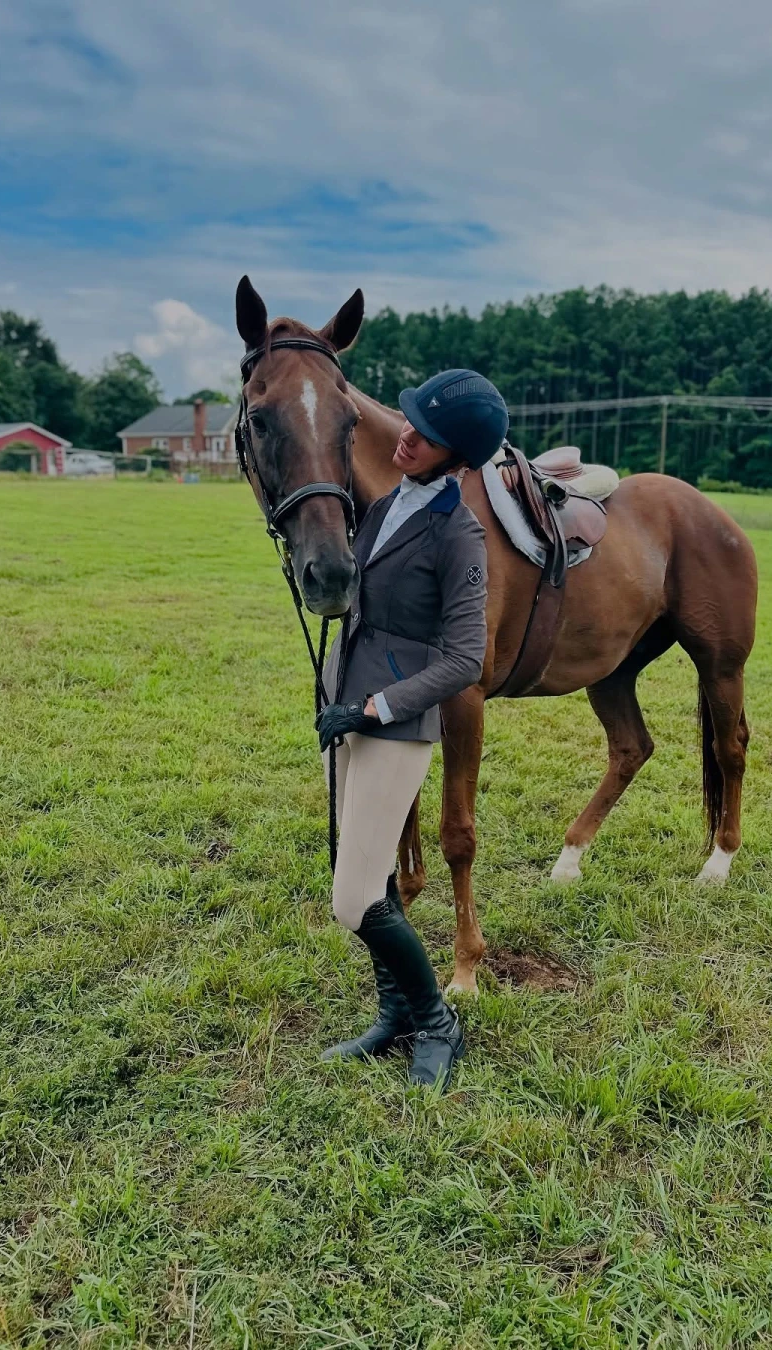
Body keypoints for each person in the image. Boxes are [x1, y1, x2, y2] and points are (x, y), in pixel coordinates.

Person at [317, 369, 508, 1089]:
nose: (407, 435)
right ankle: (394, 1012)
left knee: (350, 900)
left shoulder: (460, 535)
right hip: (346, 705)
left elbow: (463, 658)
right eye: (410, 420)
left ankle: (437, 1022)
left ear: (455, 457)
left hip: (394, 725)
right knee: (373, 880)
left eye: (427, 435)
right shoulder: (385, 505)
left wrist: (374, 708)